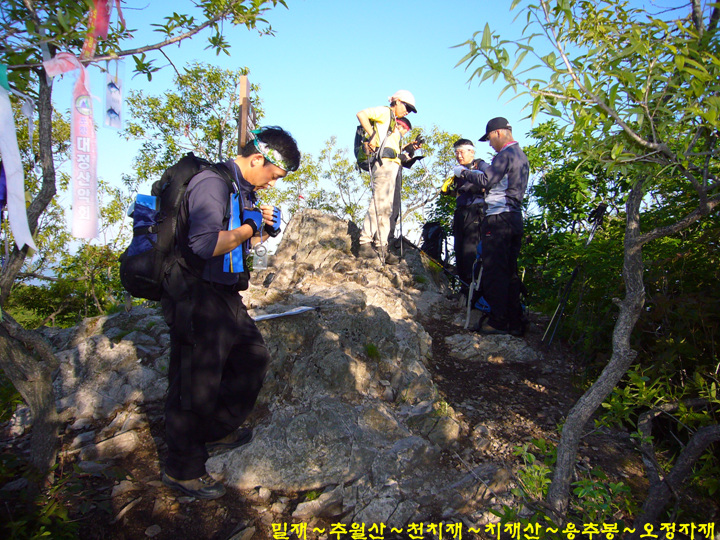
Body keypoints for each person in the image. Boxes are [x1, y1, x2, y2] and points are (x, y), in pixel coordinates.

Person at [160, 126, 301, 499]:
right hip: (195, 293)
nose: (272, 184)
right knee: (195, 382)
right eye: (274, 175)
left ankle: (216, 431)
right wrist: (250, 225)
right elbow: (205, 244)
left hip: (224, 294)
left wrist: (264, 231)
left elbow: (237, 244)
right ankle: (182, 468)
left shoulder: (239, 189)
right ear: (258, 159)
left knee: (253, 357)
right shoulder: (212, 183)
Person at [453, 117, 528, 336]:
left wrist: (463, 173)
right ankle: (515, 321)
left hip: (498, 219)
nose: (489, 144)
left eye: (489, 139)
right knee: (510, 271)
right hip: (514, 218)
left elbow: (486, 180)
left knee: (495, 272)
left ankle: (497, 321)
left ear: (497, 133)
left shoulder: (505, 154)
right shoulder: (521, 156)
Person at [356, 90, 417, 264]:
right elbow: (361, 114)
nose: (407, 112)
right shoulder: (384, 112)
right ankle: (365, 243)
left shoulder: (392, 123)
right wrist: (372, 135)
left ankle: (382, 246)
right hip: (383, 164)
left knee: (387, 208)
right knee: (379, 203)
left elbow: (391, 147)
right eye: (406, 107)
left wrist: (409, 147)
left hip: (392, 165)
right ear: (396, 101)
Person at [444, 138, 487, 298]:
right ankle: (463, 290)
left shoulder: (480, 167)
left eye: (461, 152)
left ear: (471, 151)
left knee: (470, 251)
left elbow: (486, 185)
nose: (458, 155)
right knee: (459, 250)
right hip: (460, 211)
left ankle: (474, 292)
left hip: (475, 210)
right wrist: (451, 191)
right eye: (456, 152)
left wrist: (471, 187)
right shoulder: (459, 171)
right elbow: (458, 191)